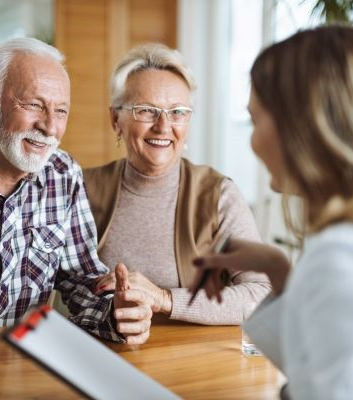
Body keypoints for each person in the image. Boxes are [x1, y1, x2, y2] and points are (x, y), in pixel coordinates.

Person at [191, 25, 353, 399]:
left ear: (300, 125)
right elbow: (315, 364)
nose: (253, 141)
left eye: (255, 119)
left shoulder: (337, 259)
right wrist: (280, 273)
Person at [0, 37, 152, 345]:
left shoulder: (62, 174)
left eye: (60, 111)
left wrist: (116, 312)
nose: (49, 127)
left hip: (26, 365)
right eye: (33, 105)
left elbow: (82, 280)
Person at [86, 43, 271, 325]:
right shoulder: (81, 189)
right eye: (146, 110)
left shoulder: (219, 194)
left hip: (192, 362)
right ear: (115, 119)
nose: (163, 126)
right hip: (107, 355)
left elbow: (262, 294)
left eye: (178, 112)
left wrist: (164, 298)